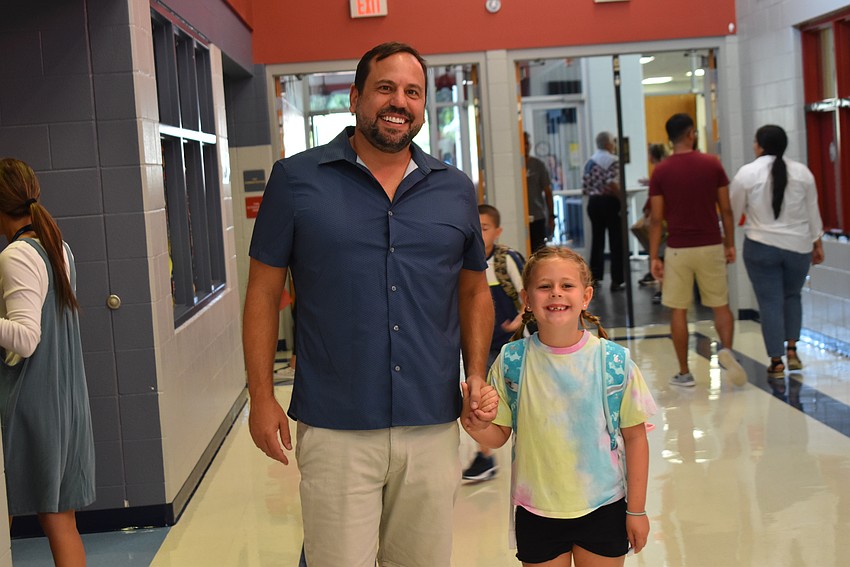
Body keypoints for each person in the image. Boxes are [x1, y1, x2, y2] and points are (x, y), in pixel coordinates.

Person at [242, 42, 494, 567]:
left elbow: (473, 290)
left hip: (431, 420)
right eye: (385, 88)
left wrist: (476, 374)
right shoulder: (296, 180)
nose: (399, 101)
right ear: (356, 97)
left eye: (412, 92)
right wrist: (261, 397)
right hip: (336, 423)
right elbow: (263, 293)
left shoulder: (454, 189)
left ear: (423, 106)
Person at [461, 246, 657, 565]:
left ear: (586, 296)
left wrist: (637, 510)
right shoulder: (511, 361)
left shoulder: (614, 362)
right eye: (544, 286)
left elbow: (636, 439)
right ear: (526, 298)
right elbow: (498, 435)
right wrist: (476, 424)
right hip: (536, 511)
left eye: (567, 285)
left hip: (604, 506)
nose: (556, 293)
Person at [0, 158, 95, 566]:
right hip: (66, 401)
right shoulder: (58, 247)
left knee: (23, 514)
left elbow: (26, 338)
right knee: (60, 521)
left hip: (34, 403)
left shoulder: (17, 255)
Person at [649, 114, 748, 388]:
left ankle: (684, 373)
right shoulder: (712, 164)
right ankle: (727, 351)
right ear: (691, 133)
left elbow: (656, 218)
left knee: (678, 310)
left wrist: (654, 255)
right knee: (720, 305)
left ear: (670, 138)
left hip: (678, 249)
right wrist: (729, 243)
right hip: (711, 245)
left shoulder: (661, 171)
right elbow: (726, 209)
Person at [729, 125, 824, 378]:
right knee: (792, 296)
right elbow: (812, 212)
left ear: (760, 145)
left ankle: (776, 361)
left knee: (769, 302)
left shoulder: (747, 173)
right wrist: (817, 243)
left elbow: (733, 210)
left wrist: (727, 238)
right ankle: (792, 351)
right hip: (798, 247)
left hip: (761, 246)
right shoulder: (803, 173)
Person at [462, 204, 525, 482]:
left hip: (512, 344)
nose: (479, 233)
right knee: (481, 396)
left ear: (497, 232)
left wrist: (520, 320)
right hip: (483, 345)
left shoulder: (506, 260)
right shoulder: (463, 261)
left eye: (485, 228)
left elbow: (528, 294)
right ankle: (484, 454)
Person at [583, 132, 625, 291]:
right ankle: (617, 280)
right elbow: (612, 183)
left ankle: (595, 277)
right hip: (609, 202)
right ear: (608, 144)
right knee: (616, 241)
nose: (614, 144)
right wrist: (622, 200)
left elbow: (585, 187)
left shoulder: (589, 162)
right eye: (613, 141)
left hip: (593, 202)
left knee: (597, 240)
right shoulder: (612, 160)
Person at [634, 143, 668, 302]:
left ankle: (663, 289)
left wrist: (647, 209)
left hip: (663, 219)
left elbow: (655, 198)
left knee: (660, 254)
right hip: (669, 218)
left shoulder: (659, 171)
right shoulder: (666, 168)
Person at [524, 132, 555, 252]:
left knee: (539, 252)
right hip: (521, 217)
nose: (525, 146)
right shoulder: (514, 166)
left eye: (527, 143)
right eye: (523, 143)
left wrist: (551, 216)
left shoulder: (538, 165)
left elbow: (548, 192)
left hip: (537, 216)